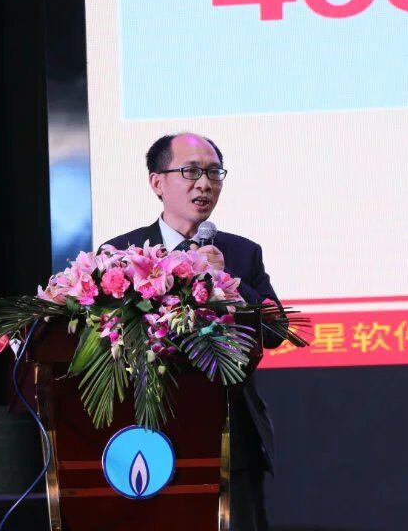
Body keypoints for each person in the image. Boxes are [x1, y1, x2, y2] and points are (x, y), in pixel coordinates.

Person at [100, 132, 282, 531]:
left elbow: (276, 329)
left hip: (230, 433)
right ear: (157, 182)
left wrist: (226, 278)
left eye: (214, 172)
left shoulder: (242, 252)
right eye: (191, 171)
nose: (205, 183)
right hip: (147, 430)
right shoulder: (121, 253)